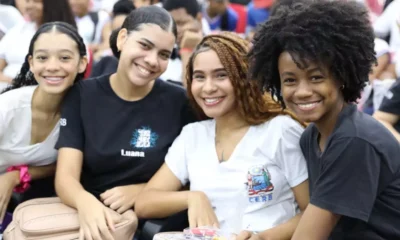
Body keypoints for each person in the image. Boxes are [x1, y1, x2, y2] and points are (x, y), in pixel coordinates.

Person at [249, 0, 400, 239]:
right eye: (290, 80)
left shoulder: (354, 140)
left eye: (316, 77)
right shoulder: (311, 136)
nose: (302, 91)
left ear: (341, 77)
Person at [135, 32, 309, 240]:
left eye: (221, 75)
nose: (208, 87)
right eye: (200, 77)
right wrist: (193, 197)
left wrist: (266, 237)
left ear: (244, 77)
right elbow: (145, 203)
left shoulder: (280, 130)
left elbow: (315, 211)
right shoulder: (193, 135)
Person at [54, 6, 196, 240]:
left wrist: (144, 192)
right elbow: (66, 176)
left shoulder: (179, 102)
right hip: (90, 219)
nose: (152, 60)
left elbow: (195, 176)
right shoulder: (82, 95)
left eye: (163, 54)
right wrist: (86, 204)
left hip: (153, 223)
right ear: (122, 38)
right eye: (145, 45)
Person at [0, 21, 87, 228]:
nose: (52, 66)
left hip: (26, 204)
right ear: (31, 63)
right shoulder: (7, 107)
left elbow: (67, 165)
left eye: (65, 58)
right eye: (42, 58)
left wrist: (14, 175)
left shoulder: (84, 111)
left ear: (82, 63)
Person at [0, 0, 76, 90]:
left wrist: (18, 84)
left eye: (36, 1)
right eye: (27, 1)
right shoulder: (19, 29)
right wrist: (12, 81)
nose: (29, 6)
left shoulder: (65, 36)